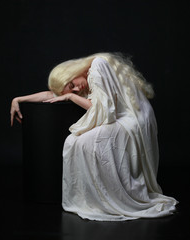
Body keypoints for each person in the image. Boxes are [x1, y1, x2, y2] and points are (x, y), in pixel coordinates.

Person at [10, 52, 178, 221]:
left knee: (83, 142)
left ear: (72, 73)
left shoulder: (97, 66)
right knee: (73, 141)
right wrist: (18, 99)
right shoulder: (80, 80)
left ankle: (113, 195)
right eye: (72, 89)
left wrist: (71, 96)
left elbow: (103, 109)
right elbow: (51, 95)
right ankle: (98, 195)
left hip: (131, 119)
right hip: (116, 116)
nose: (77, 89)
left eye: (72, 84)